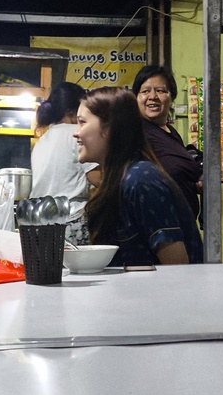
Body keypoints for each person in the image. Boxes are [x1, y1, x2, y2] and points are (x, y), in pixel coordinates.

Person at [74, 86, 203, 266]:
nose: (76, 133)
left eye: (82, 122)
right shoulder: (120, 179)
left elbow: (177, 267)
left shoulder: (140, 180)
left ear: (111, 128)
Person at [30, 81, 100, 245]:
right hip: (70, 220)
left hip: (39, 223)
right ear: (71, 112)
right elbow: (97, 178)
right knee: (76, 263)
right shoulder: (76, 135)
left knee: (49, 263)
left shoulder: (42, 141)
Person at [131, 65, 202, 220]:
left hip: (181, 221)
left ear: (171, 98)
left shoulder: (170, 132)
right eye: (145, 91)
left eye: (160, 91)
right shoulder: (135, 133)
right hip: (156, 223)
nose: (153, 96)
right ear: (136, 97)